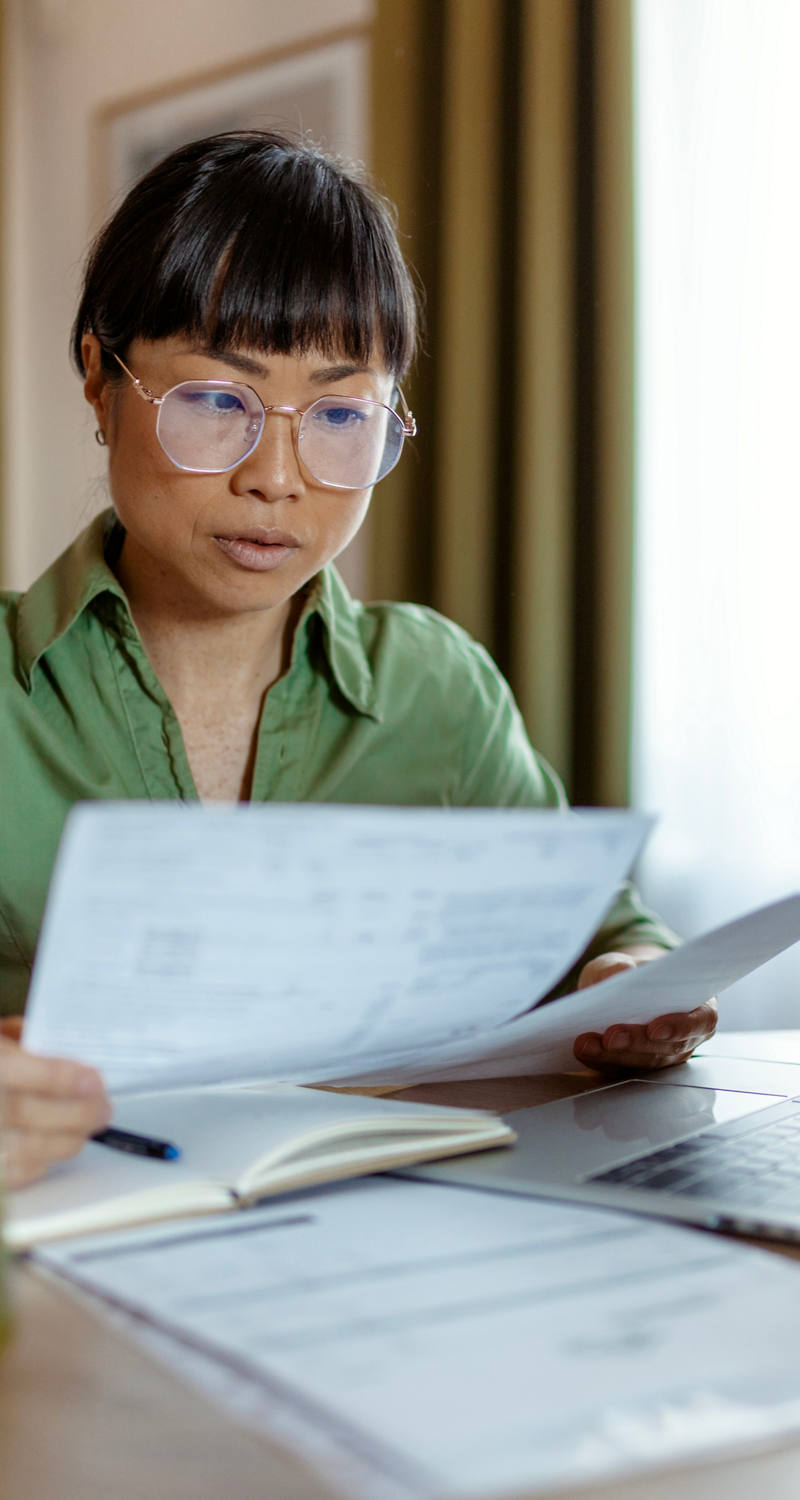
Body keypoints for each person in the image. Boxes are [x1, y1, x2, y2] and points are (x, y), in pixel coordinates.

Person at [0, 131, 716, 1190]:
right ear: (103, 382)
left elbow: (607, 932)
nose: (277, 478)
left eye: (340, 414)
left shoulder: (437, 691)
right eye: (216, 401)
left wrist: (635, 983)